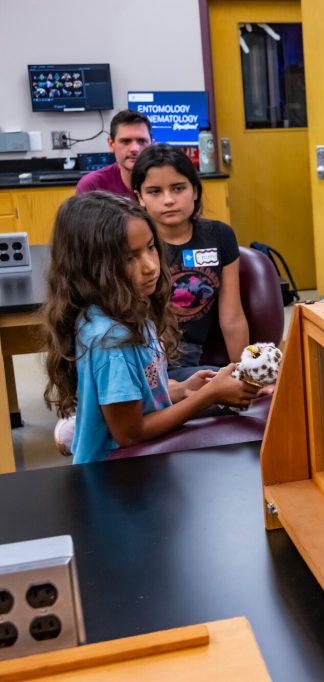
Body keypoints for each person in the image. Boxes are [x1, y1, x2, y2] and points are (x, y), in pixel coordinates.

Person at [42, 193, 258, 464]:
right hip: (118, 475)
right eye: (129, 258)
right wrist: (207, 396)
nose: (150, 266)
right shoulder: (111, 340)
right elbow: (131, 434)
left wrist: (184, 390)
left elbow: (142, 395)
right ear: (90, 267)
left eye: (151, 247)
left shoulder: (128, 310)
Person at [131, 144, 249, 381]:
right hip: (138, 357)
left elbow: (232, 317)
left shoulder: (220, 236)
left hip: (187, 358)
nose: (168, 200)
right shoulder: (132, 240)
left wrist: (244, 375)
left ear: (195, 190)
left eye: (178, 188)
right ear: (139, 197)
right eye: (154, 191)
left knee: (242, 386)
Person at [76, 110, 152, 199]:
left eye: (142, 141)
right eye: (125, 141)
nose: (134, 149)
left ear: (152, 145)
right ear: (111, 144)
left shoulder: (167, 180)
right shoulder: (92, 186)